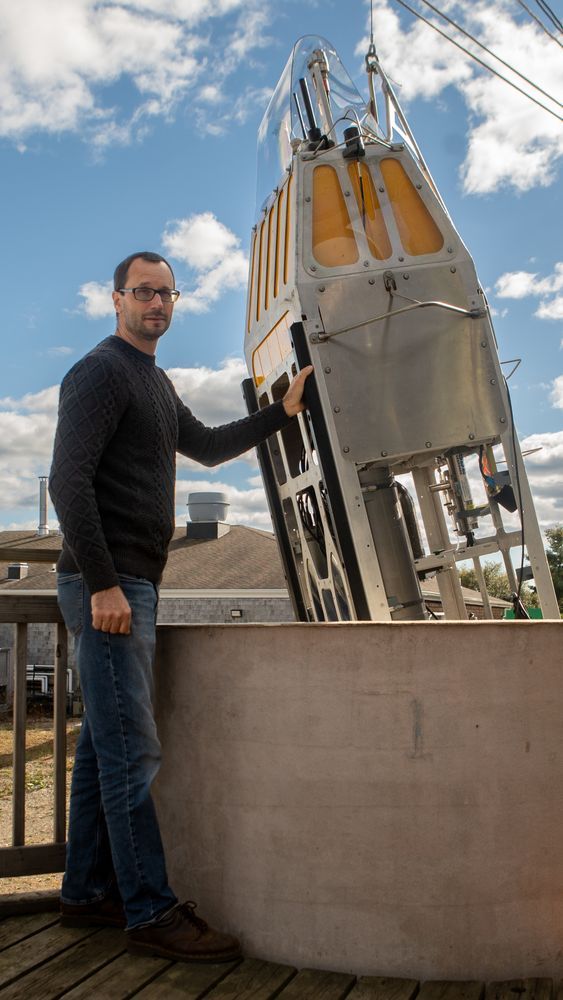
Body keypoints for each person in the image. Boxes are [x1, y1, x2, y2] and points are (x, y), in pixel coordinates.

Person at [49, 250, 312, 963]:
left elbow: (206, 446)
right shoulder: (102, 371)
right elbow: (66, 483)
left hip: (131, 582)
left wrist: (279, 414)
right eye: (143, 292)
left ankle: (85, 893)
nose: (157, 303)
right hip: (109, 584)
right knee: (134, 753)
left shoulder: (154, 381)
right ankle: (150, 911)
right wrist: (103, 581)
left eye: (167, 293)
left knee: (104, 751)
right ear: (115, 299)